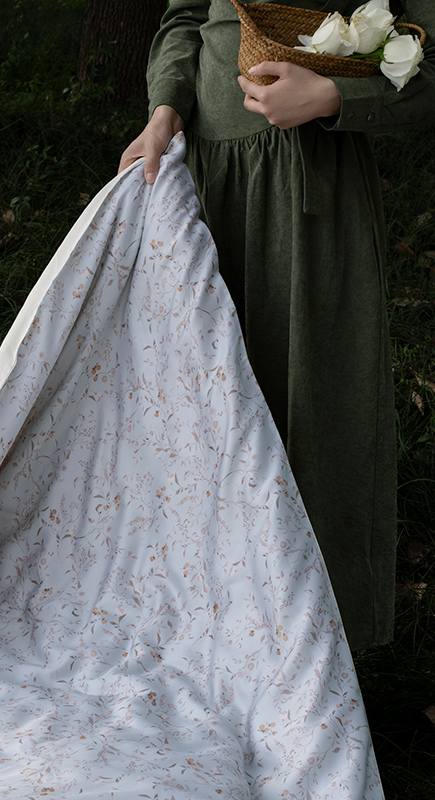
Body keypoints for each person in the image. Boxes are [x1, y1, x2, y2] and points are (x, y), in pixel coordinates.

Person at [120, 0, 435, 650]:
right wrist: (164, 112)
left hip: (313, 193)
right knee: (201, 417)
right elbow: (185, 18)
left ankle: (317, 648)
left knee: (319, 411)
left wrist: (334, 95)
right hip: (206, 188)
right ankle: (204, 629)